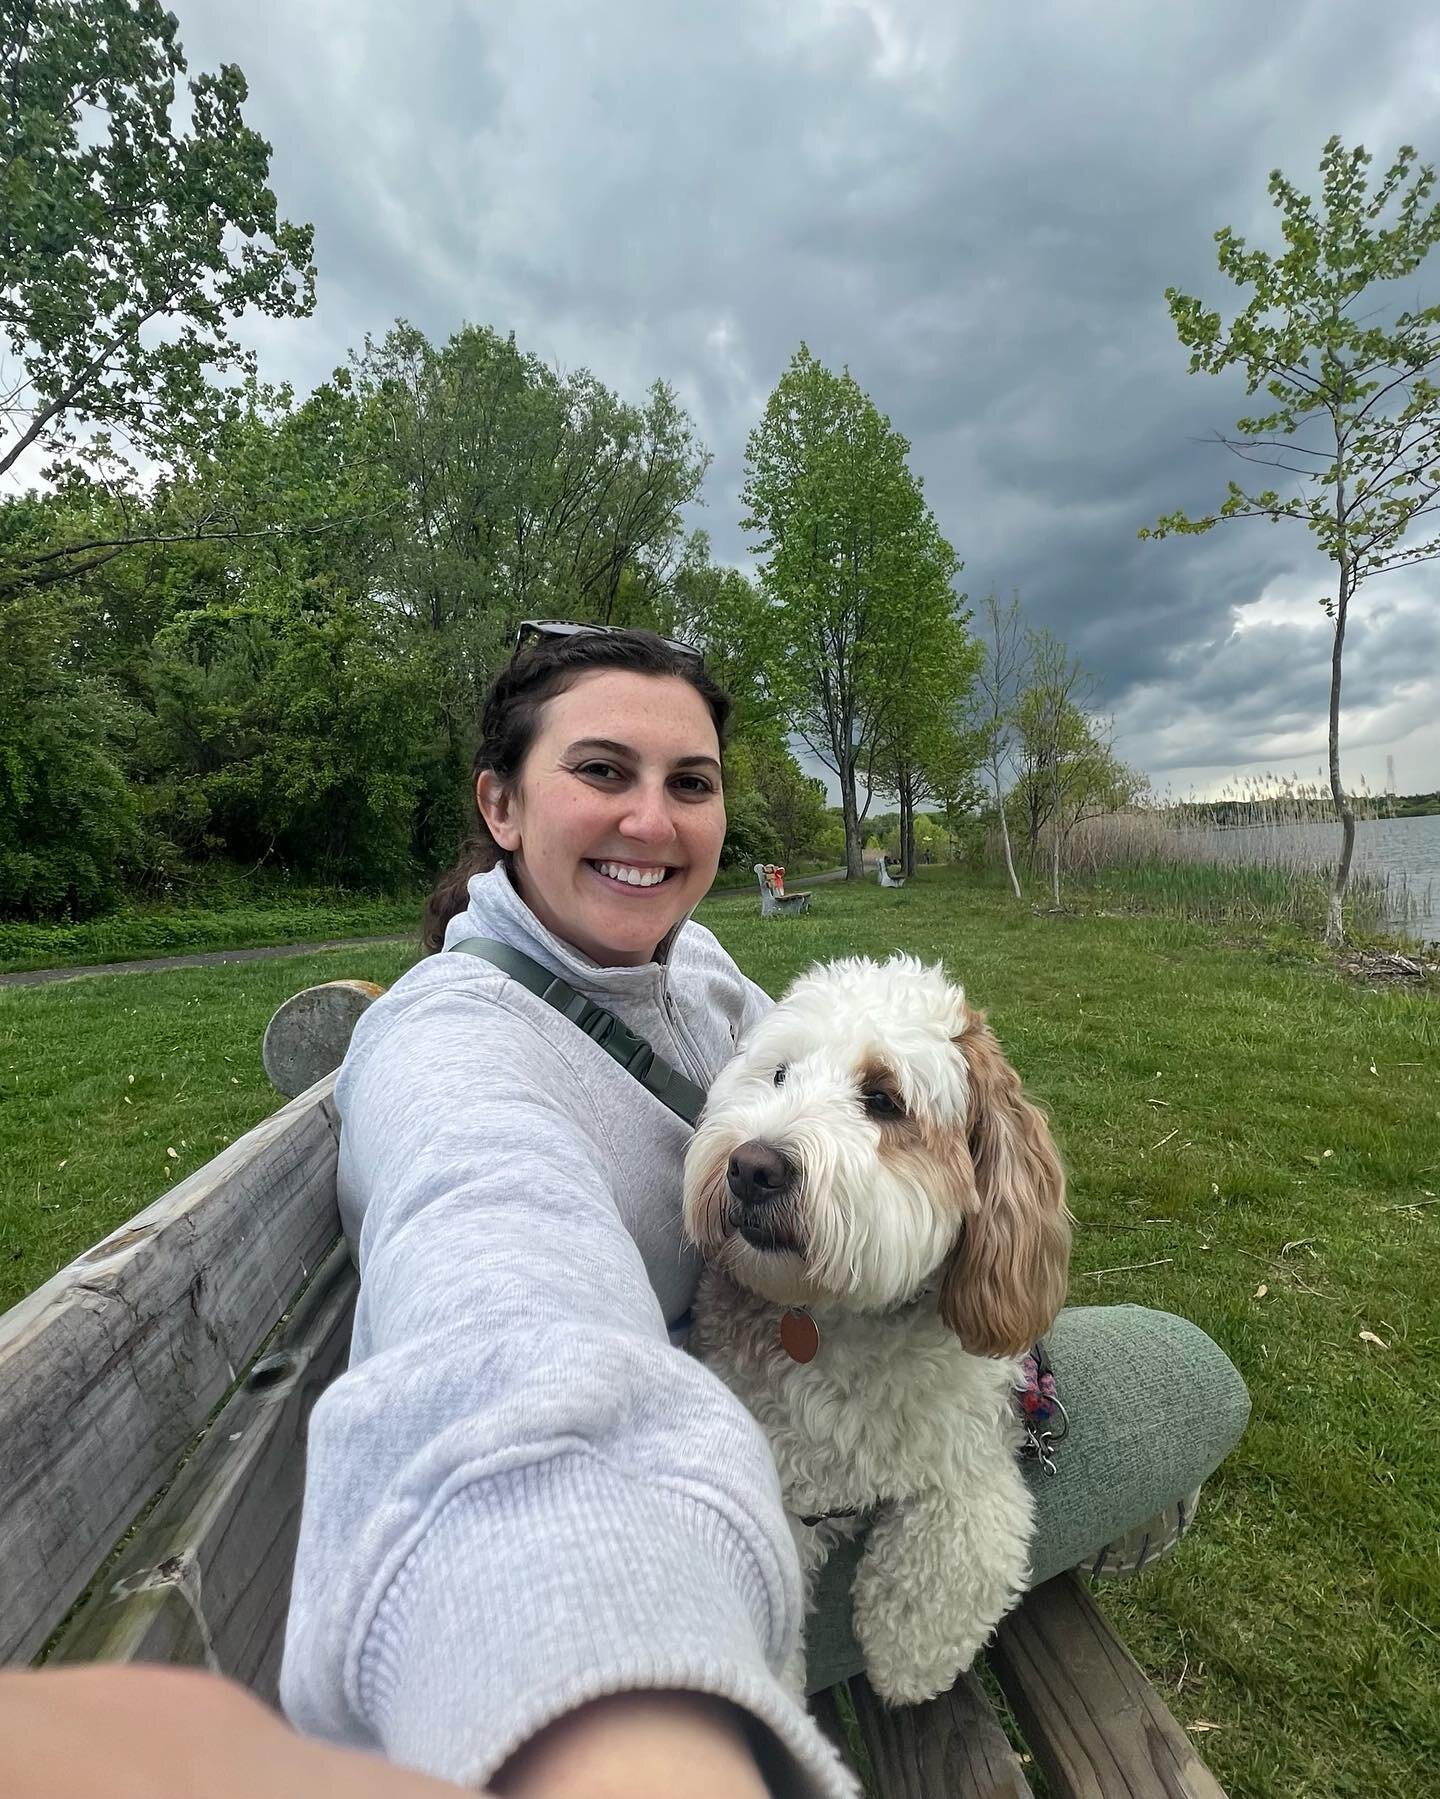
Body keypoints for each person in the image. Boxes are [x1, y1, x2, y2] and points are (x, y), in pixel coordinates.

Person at [0, 624, 1249, 1797]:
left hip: (819, 1399)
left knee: (1104, 1365)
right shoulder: (452, 1051)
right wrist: (610, 1710)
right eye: (602, 769)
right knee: (1181, 1368)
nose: (651, 817)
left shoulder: (687, 961)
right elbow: (493, 1301)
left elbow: (846, 1110)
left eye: (690, 781)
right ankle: (1110, 1529)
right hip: (686, 1560)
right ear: (500, 801)